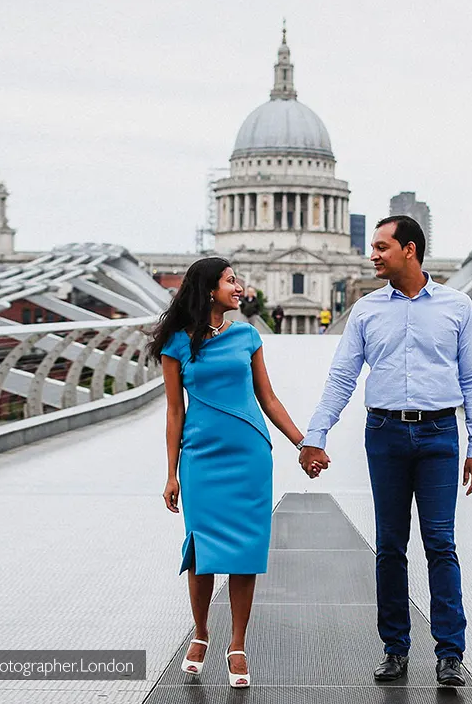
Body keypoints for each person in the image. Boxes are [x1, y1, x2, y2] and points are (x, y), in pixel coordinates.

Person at [299, 215, 472, 687]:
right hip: (383, 432)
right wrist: (315, 434)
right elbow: (342, 377)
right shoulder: (365, 310)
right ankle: (395, 648)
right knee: (389, 545)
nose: (373, 254)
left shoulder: (457, 307)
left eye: (382, 247)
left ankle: (449, 653)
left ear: (409, 250)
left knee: (441, 544)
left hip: (440, 434)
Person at [147, 258, 322, 689]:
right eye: (230, 280)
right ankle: (202, 633)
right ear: (209, 289)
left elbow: (269, 398)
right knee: (202, 548)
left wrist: (304, 443)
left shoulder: (247, 335)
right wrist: (170, 473)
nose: (239, 286)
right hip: (202, 457)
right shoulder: (175, 343)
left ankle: (238, 643)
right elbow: (174, 412)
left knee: (245, 550)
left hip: (249, 454)